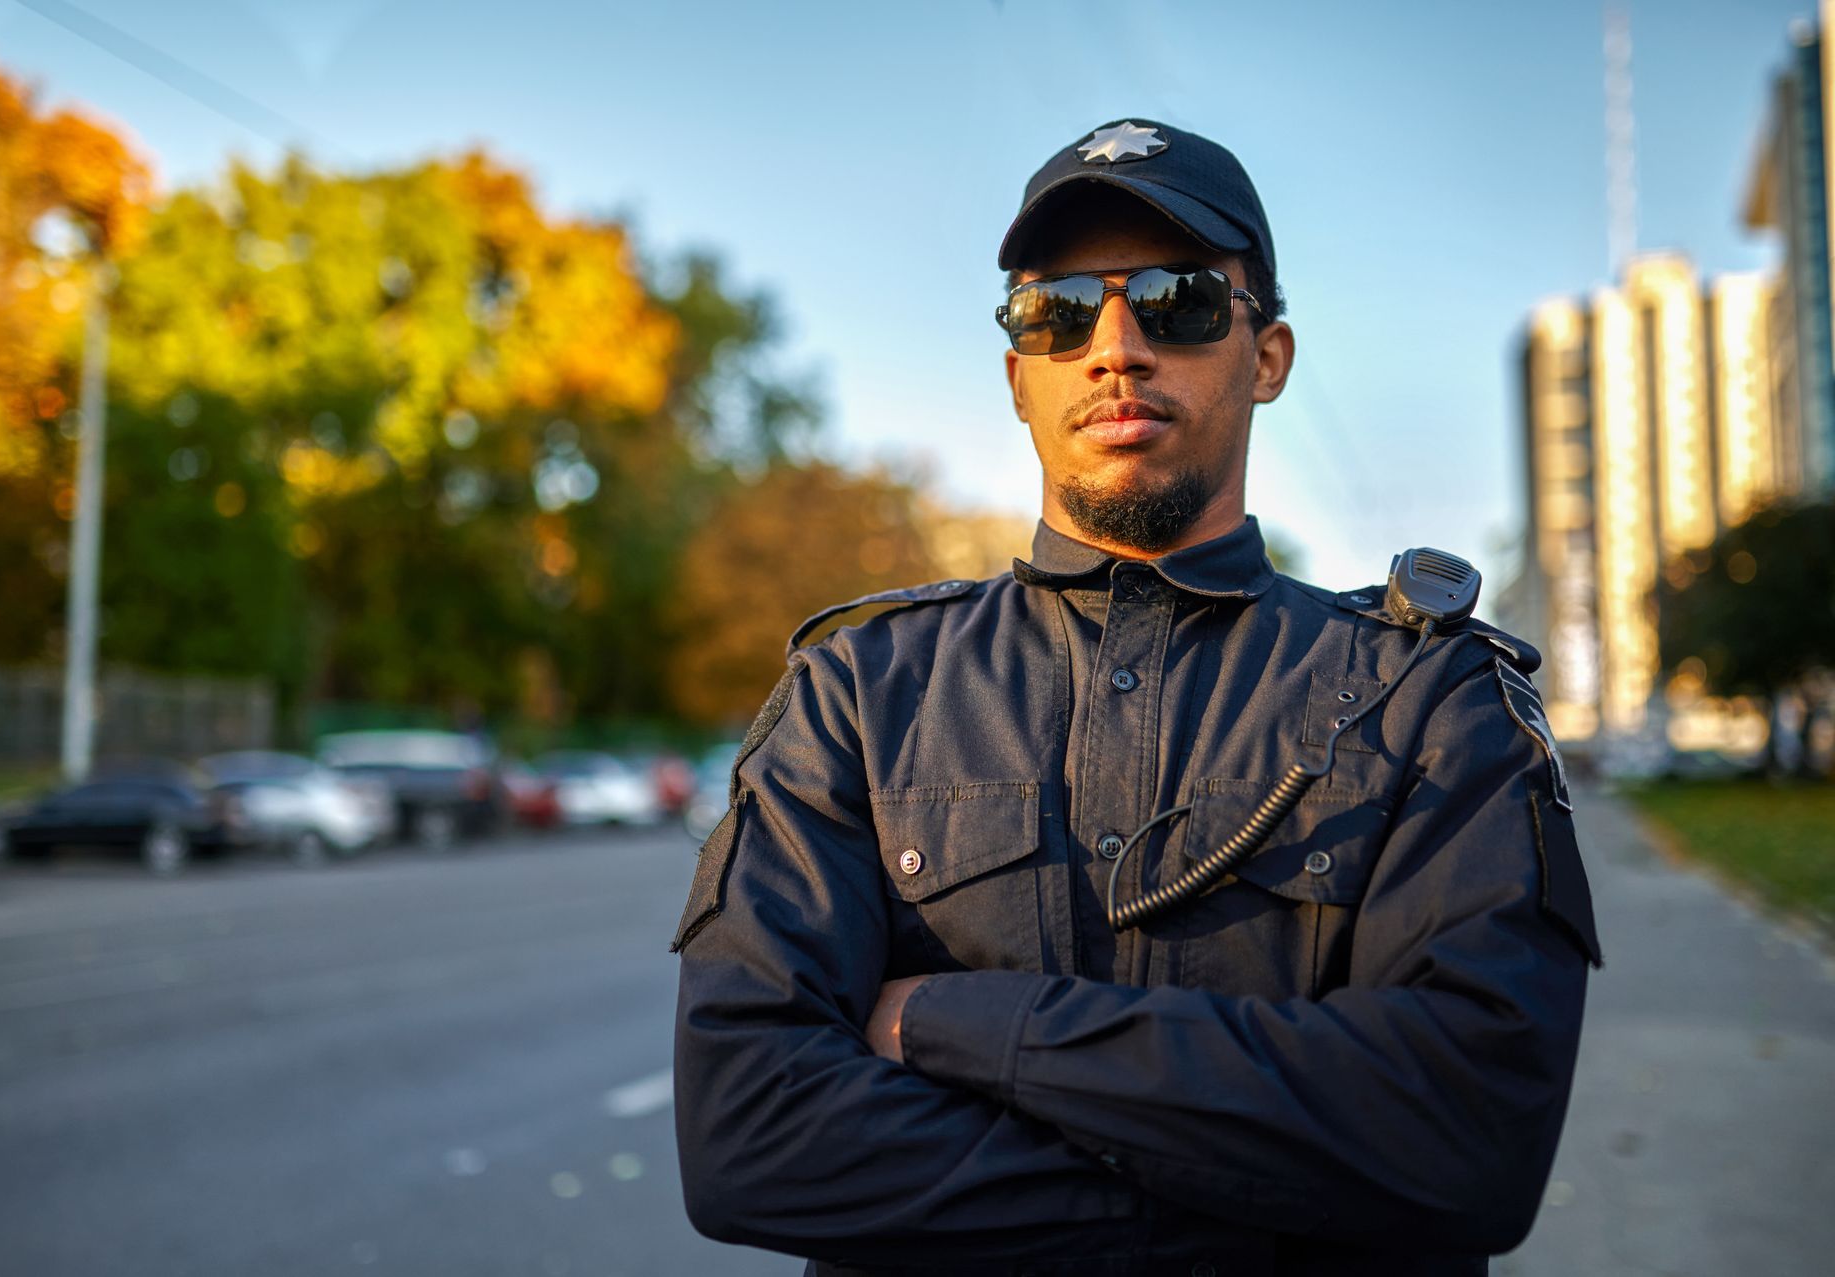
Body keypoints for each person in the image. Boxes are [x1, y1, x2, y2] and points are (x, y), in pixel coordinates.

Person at [670, 118, 1602, 1277]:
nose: (1115, 345)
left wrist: (953, 1023)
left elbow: (1465, 1136)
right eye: (1056, 309)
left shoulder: (1429, 692)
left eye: (1179, 300)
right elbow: (750, 1135)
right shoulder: (857, 689)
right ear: (1019, 374)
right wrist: (1263, 1210)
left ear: (1266, 356)